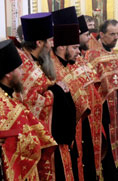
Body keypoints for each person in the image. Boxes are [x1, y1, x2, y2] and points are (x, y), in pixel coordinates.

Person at [18, 12, 77, 180]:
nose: (51, 46)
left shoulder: (34, 61)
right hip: (37, 141)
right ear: (38, 42)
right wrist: (55, 93)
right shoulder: (25, 67)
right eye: (49, 41)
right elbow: (29, 103)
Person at [51, 6, 102, 181]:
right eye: (74, 47)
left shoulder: (74, 61)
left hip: (84, 122)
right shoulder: (52, 68)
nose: (79, 51)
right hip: (66, 130)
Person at [0, 39, 57, 180]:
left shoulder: (10, 97)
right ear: (8, 73)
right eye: (19, 69)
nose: (23, 73)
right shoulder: (3, 104)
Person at [86, 19, 118, 181]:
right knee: (106, 141)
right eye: (112, 34)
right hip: (103, 107)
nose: (115, 38)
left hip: (117, 104)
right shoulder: (91, 55)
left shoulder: (113, 54)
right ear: (101, 34)